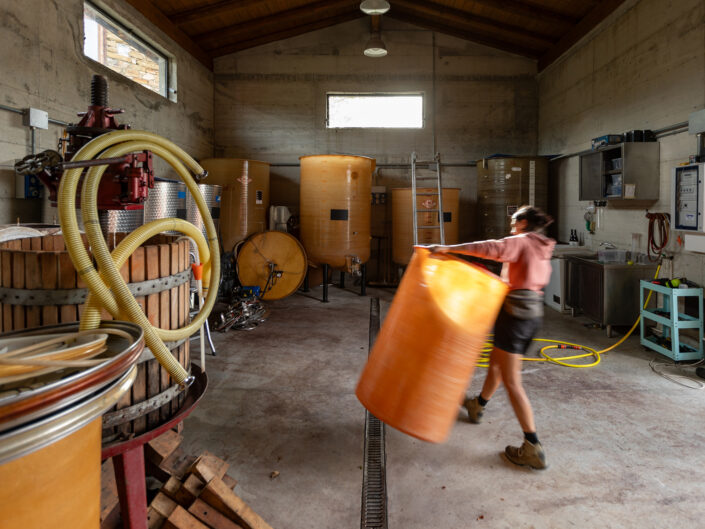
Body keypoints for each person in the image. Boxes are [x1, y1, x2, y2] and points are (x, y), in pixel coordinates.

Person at [428, 205, 555, 470]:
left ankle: (532, 445)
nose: (511, 227)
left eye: (513, 221)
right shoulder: (542, 245)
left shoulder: (521, 242)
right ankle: (478, 404)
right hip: (532, 315)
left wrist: (447, 248)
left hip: (516, 316)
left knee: (512, 381)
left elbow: (488, 248)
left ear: (523, 223)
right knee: (497, 361)